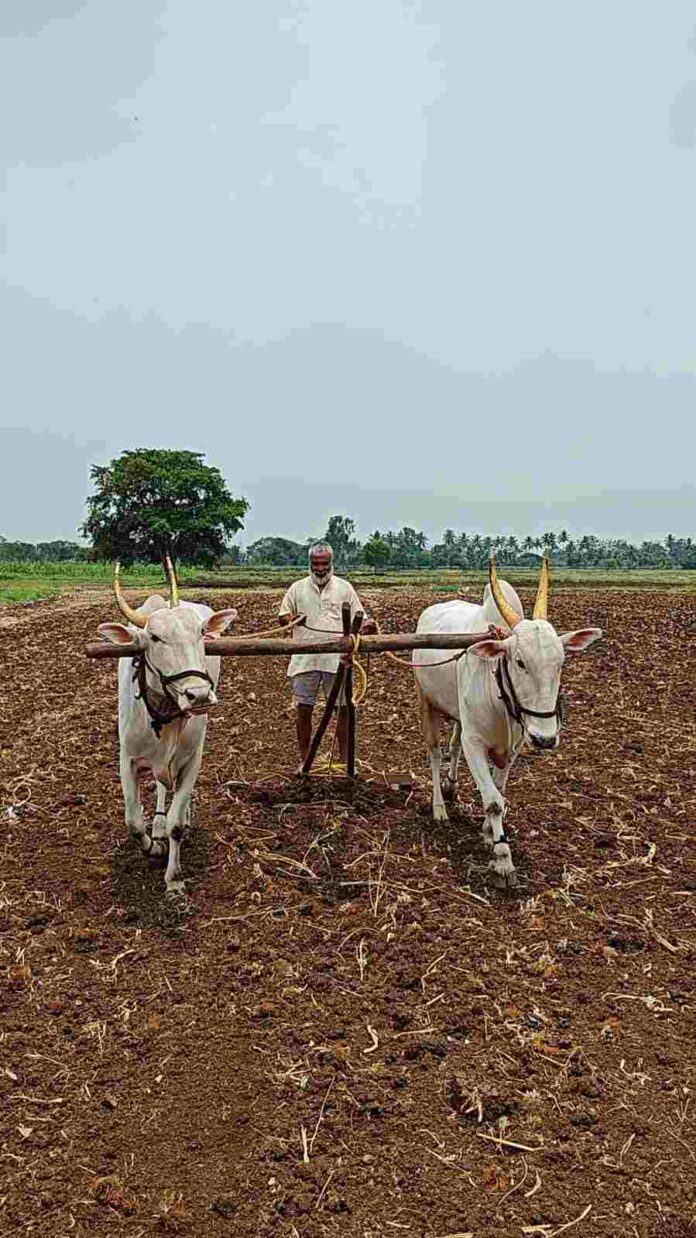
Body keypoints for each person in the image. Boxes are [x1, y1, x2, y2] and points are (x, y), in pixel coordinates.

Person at [279, 543, 375, 772]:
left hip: (337, 661)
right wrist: (292, 619)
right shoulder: (297, 588)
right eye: (316, 564)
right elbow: (282, 617)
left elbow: (359, 618)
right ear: (310, 564)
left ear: (331, 563)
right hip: (304, 660)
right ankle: (304, 760)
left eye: (324, 564)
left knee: (343, 710)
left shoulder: (345, 588)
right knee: (304, 709)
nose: (320, 569)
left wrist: (367, 626)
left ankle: (344, 762)